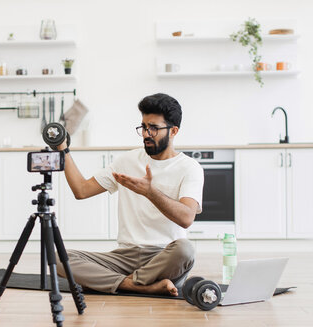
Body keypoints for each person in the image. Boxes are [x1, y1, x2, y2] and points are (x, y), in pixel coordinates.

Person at [56, 93, 204, 296]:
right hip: (124, 257)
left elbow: (186, 218)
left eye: (154, 128)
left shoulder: (190, 167)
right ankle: (139, 285)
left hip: (164, 256)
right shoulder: (127, 160)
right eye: (143, 127)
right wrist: (63, 150)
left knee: (185, 250)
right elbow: (81, 190)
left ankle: (115, 283)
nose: (146, 134)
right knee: (58, 258)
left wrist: (150, 192)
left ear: (174, 131)